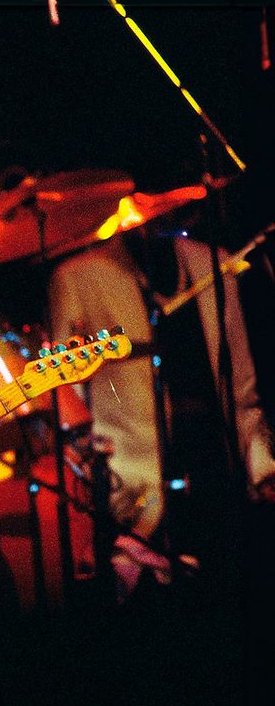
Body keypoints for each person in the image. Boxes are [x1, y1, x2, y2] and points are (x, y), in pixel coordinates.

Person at [48, 221, 275, 601]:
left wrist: (262, 465)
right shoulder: (78, 277)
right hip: (139, 487)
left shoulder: (214, 264)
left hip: (223, 477)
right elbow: (61, 390)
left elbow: (242, 387)